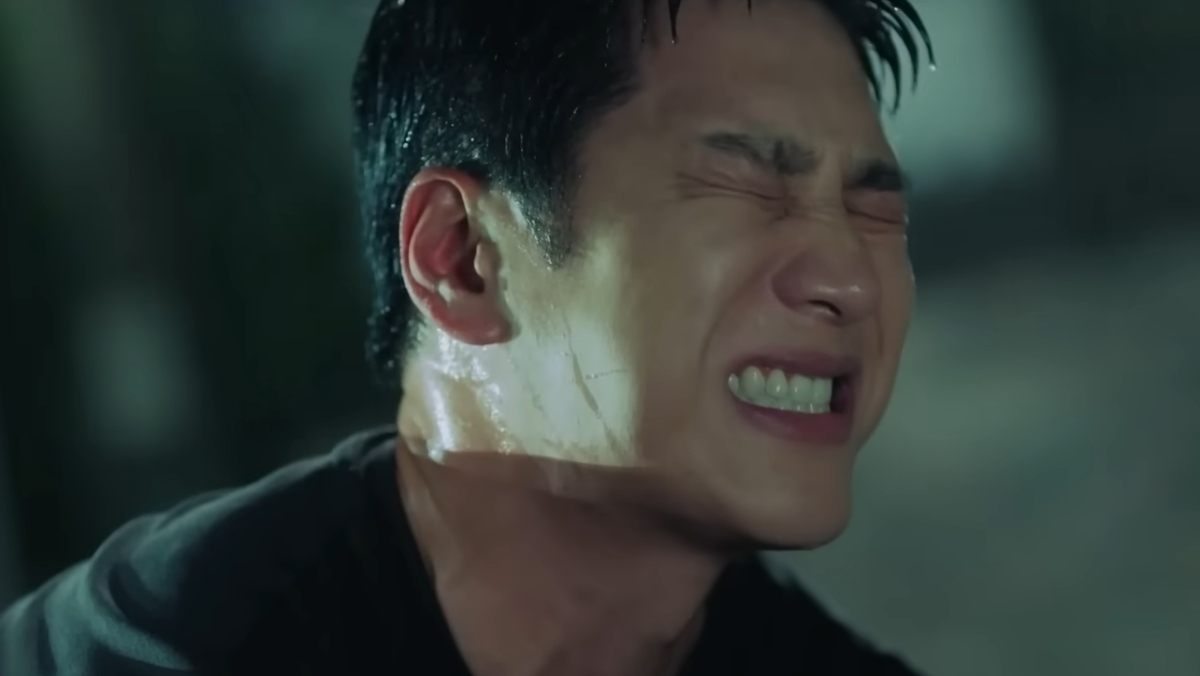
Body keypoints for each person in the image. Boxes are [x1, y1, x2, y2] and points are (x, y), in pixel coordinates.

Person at [0, 0, 936, 673]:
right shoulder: (175, 644)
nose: (850, 279)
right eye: (746, 184)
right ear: (462, 259)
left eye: (875, 211)